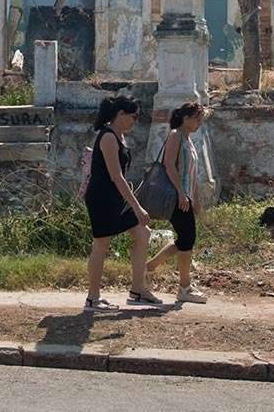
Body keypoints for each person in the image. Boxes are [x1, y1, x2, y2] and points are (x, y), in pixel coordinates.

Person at [83, 95, 161, 312]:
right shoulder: (108, 137)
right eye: (133, 116)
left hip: (115, 197)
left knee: (142, 233)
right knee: (101, 245)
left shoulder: (119, 135)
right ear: (120, 114)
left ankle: (138, 289)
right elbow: (116, 176)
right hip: (102, 197)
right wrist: (137, 206)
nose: (135, 121)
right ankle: (93, 298)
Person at [146, 102, 208, 304]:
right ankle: (184, 287)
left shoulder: (189, 141)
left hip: (186, 196)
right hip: (175, 196)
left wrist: (196, 200)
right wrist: (181, 193)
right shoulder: (175, 135)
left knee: (185, 238)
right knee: (187, 238)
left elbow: (192, 175)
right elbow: (169, 166)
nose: (199, 122)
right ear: (186, 118)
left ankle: (150, 267)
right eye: (197, 118)